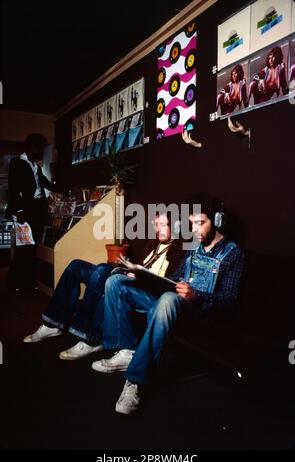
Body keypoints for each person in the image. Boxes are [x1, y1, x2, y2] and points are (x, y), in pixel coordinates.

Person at [92, 196, 245, 415]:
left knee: (167, 300)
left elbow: (229, 300)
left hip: (197, 310)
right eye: (191, 224)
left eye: (200, 223)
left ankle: (135, 380)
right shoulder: (194, 246)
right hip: (170, 301)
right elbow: (174, 277)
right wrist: (145, 278)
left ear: (217, 221)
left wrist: (197, 295)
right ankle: (125, 351)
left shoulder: (233, 254)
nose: (195, 230)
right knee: (116, 281)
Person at [22, 213, 183, 361]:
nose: (157, 229)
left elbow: (167, 282)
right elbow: (141, 266)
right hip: (130, 278)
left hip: (142, 288)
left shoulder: (179, 248)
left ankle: (90, 338)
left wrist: (140, 278)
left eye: (162, 225)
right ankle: (53, 323)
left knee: (100, 272)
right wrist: (129, 270)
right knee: (76, 265)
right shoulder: (154, 243)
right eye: (156, 224)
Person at [5, 133, 59, 290]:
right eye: (39, 146)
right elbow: (13, 188)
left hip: (37, 210)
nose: (41, 150)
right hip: (24, 212)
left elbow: (45, 184)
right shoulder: (17, 163)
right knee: (23, 248)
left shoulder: (35, 165)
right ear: (31, 146)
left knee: (32, 249)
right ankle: (14, 282)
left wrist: (65, 189)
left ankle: (28, 282)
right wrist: (19, 210)